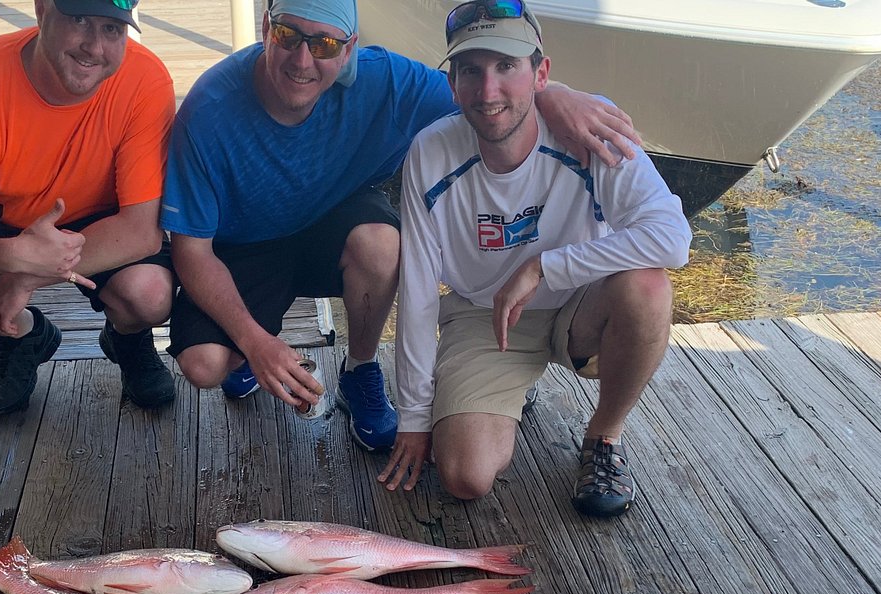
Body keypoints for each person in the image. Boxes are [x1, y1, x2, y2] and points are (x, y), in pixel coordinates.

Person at [161, 0, 642, 452]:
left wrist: (553, 95)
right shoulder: (209, 108)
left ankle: (361, 368)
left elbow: (487, 100)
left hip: (334, 216)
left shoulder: (384, 80)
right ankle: (253, 353)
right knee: (204, 365)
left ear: (349, 49)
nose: (303, 60)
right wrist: (254, 341)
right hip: (246, 241)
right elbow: (192, 253)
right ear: (266, 28)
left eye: (325, 45)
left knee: (383, 244)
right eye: (289, 35)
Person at [380, 0, 692, 516]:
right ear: (453, 84)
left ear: (540, 72)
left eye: (507, 66)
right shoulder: (430, 153)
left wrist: (546, 267)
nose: (488, 91)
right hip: (485, 316)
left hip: (580, 305)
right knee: (463, 477)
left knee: (648, 287)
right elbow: (415, 292)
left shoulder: (591, 130)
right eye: (470, 71)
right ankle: (508, 391)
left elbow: (672, 237)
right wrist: (414, 417)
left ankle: (604, 438)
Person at [0, 0, 176, 415]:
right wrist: (12, 256)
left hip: (100, 215)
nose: (93, 46)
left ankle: (127, 338)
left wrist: (25, 278)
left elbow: (140, 230)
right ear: (42, 10)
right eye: (78, 19)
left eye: (112, 29)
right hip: (3, 218)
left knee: (149, 297)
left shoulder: (145, 79)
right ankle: (23, 334)